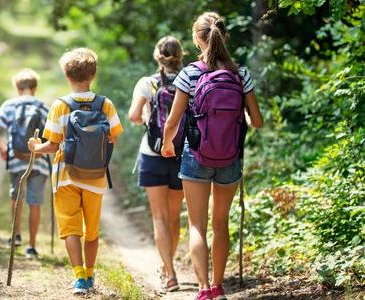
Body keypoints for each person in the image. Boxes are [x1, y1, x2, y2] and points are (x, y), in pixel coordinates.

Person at [161, 12, 263, 300]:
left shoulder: (190, 73)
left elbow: (172, 121)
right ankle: (219, 287)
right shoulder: (240, 74)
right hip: (230, 157)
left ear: (196, 39)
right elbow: (257, 121)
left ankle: (203, 289)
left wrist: (167, 145)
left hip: (196, 155)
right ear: (224, 36)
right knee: (221, 223)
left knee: (197, 224)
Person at [28, 48, 123, 294]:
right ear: (93, 74)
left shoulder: (60, 106)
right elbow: (113, 138)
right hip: (96, 177)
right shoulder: (106, 104)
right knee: (91, 231)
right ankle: (91, 275)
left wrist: (35, 148)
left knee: (71, 228)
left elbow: (52, 145)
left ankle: (79, 277)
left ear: (66, 76)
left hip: (66, 176)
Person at [128, 36, 185, 292]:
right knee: (174, 217)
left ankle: (169, 273)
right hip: (181, 154)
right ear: (180, 55)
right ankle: (167, 266)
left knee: (159, 218)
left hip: (152, 154)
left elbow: (133, 116)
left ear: (157, 56)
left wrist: (147, 123)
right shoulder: (189, 80)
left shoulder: (147, 83)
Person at [0, 68, 50, 259]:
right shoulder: (42, 106)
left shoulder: (9, 106)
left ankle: (15, 236)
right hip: (38, 161)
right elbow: (54, 134)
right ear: (35, 87)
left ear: (17, 87)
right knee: (35, 202)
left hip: (16, 160)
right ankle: (31, 246)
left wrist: (2, 149)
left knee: (16, 197)